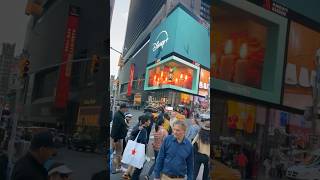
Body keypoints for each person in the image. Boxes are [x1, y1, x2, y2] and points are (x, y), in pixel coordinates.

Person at [127, 115, 151, 180]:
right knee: (139, 166)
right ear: (145, 122)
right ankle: (134, 178)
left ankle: (130, 175)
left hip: (135, 150)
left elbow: (132, 133)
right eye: (149, 121)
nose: (150, 122)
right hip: (139, 151)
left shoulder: (138, 127)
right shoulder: (143, 130)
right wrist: (145, 151)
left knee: (136, 165)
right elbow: (142, 141)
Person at [110, 103, 128, 174]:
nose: (127, 110)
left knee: (117, 153)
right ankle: (117, 167)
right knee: (118, 153)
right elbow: (116, 128)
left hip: (118, 137)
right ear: (122, 108)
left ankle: (118, 167)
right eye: (126, 108)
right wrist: (115, 139)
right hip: (117, 138)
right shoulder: (118, 115)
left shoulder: (120, 115)